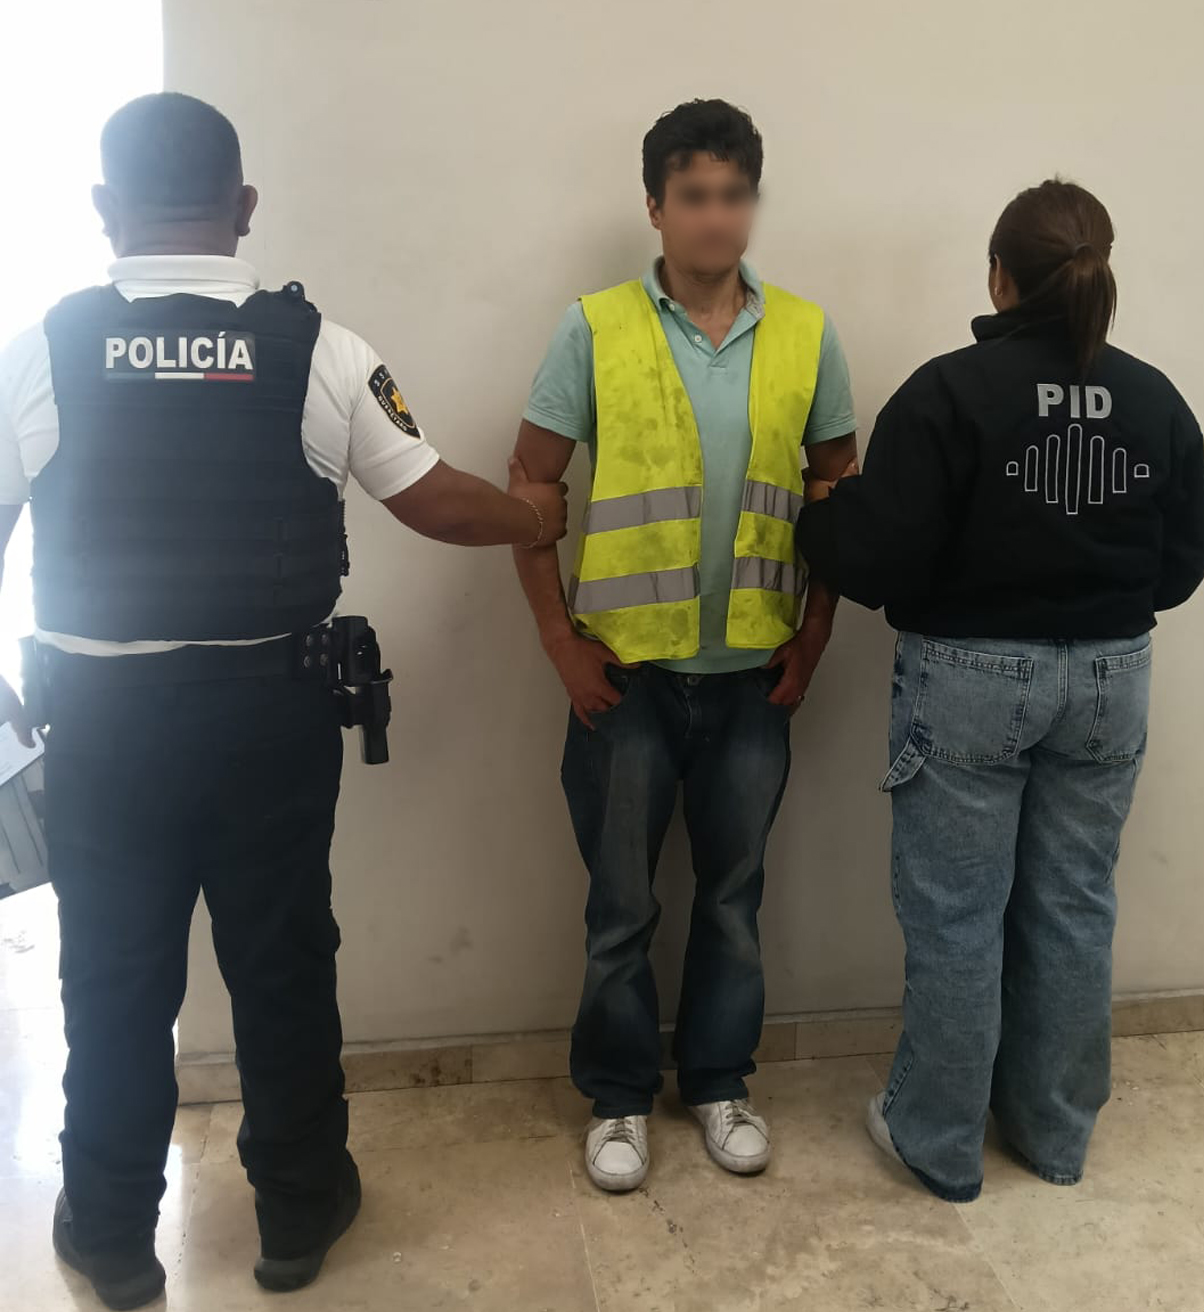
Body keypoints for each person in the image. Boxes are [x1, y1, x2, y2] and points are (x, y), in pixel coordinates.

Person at [0, 93, 567, 1310]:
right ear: (243, 206)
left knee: (112, 978)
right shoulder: (318, 349)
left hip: (101, 729)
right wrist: (535, 515)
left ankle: (112, 1233)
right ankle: (299, 1211)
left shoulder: (38, 353)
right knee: (282, 965)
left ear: (103, 208)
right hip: (267, 719)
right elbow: (432, 498)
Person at [796, 178, 1204, 1203]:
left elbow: (877, 559)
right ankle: (1054, 1132)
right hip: (1111, 675)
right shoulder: (1154, 398)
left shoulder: (949, 393)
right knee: (1074, 908)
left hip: (973, 679)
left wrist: (821, 518)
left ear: (999, 276)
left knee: (957, 916)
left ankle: (938, 1139)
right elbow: (1181, 562)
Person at [511, 99, 857, 1192]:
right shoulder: (594, 327)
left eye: (734, 194)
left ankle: (717, 1081)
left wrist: (813, 635)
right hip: (625, 678)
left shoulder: (805, 333)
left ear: (753, 202)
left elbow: (837, 494)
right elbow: (530, 487)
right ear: (656, 207)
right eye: (694, 196)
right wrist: (560, 643)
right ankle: (618, 1098)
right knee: (621, 907)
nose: (717, 216)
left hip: (753, 676)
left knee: (733, 901)